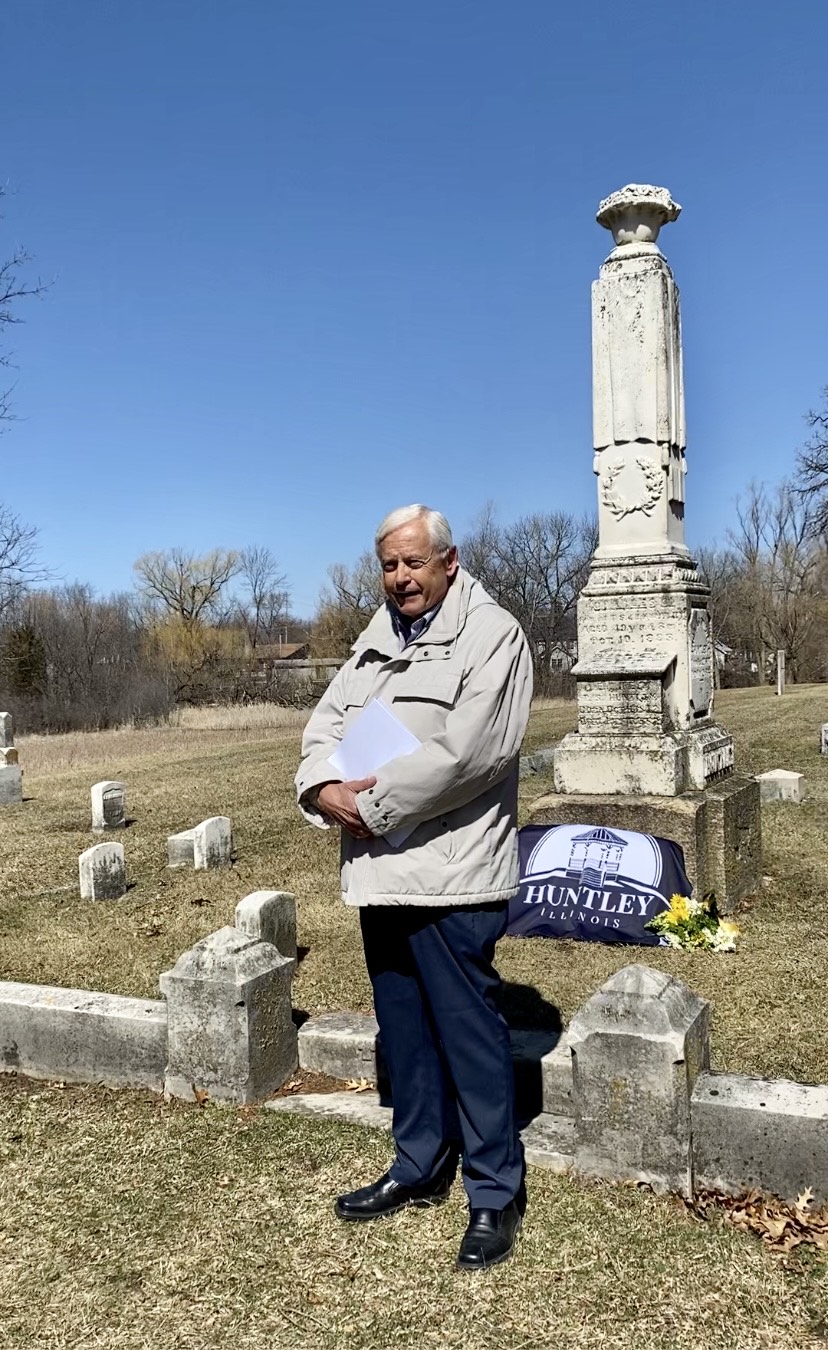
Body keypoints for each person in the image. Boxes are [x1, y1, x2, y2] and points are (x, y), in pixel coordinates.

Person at [295, 504, 533, 1270]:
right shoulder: (373, 643)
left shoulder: (491, 634)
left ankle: (495, 1191)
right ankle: (418, 1164)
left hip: (454, 871)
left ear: (449, 561)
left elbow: (472, 754)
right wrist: (320, 786)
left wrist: (369, 803)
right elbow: (323, 727)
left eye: (413, 564)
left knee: (469, 1034)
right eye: (389, 565)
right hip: (379, 869)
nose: (400, 578)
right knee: (404, 1031)